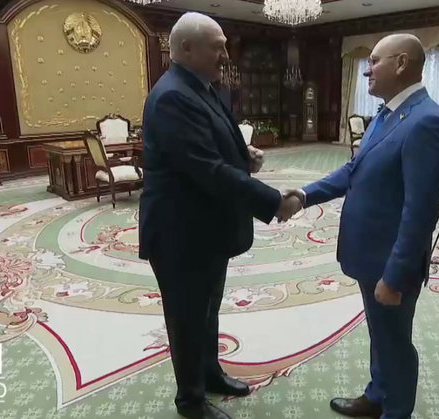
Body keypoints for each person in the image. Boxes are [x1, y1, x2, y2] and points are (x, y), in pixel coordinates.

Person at [137, 12, 300, 419]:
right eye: (217, 46)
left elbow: (213, 148)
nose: (226, 55)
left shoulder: (202, 88)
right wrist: (273, 201)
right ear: (186, 48)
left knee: (207, 312)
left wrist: (244, 156)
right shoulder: (172, 96)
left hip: (206, 230)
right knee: (187, 319)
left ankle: (209, 374)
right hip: (180, 234)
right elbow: (206, 169)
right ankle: (190, 401)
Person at [284, 34, 439, 419]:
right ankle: (377, 396)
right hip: (369, 254)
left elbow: (419, 213)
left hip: (391, 261)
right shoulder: (388, 112)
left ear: (401, 63)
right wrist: (304, 195)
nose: (367, 70)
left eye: (374, 61)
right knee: (380, 333)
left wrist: (395, 276)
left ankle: (396, 411)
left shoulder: (427, 122)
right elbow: (354, 170)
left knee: (395, 342)